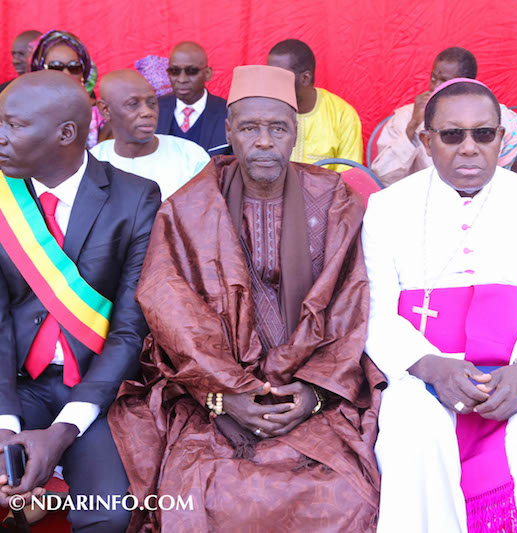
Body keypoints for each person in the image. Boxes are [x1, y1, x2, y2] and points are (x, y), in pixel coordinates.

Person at [107, 65, 385, 533]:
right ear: (229, 131)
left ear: (295, 133)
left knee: (344, 496)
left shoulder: (335, 200)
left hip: (313, 389)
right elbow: (172, 310)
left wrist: (312, 394)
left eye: (277, 128)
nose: (263, 141)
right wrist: (228, 395)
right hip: (212, 395)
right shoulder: (187, 207)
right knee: (204, 493)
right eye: (250, 128)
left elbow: (352, 302)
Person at [362, 78, 517, 532]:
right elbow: (375, 315)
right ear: (426, 140)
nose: (469, 147)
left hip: (515, 374)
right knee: (412, 443)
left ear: (501, 138)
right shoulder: (387, 207)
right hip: (422, 376)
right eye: (451, 134)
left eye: (483, 133)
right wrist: (434, 368)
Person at [0, 71, 160, 532]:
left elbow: (130, 331)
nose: (1, 137)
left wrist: (61, 432)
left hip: (97, 393)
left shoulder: (134, 198)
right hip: (17, 387)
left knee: (108, 516)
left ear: (66, 134)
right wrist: (7, 425)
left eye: (14, 125)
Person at [371, 47, 517, 186]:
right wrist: (412, 127)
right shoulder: (405, 117)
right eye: (433, 78)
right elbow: (382, 177)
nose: (435, 87)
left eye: (445, 81)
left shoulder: (490, 120)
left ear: (467, 83)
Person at [91, 70, 210, 200]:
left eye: (151, 103)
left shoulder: (191, 157)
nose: (147, 112)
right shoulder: (93, 163)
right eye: (133, 104)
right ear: (105, 110)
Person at [267, 39, 363, 172]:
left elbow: (349, 178)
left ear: (305, 78)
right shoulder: (264, 111)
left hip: (328, 192)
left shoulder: (342, 115)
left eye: (279, 77)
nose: (271, 83)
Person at [28, 30, 107, 148]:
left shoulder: (101, 115)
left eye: (74, 67)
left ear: (83, 73)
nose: (66, 74)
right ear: (40, 70)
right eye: (55, 67)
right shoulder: (25, 112)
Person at [155, 42, 228, 156]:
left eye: (191, 71)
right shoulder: (154, 110)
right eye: (175, 71)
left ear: (208, 73)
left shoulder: (228, 113)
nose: (182, 79)